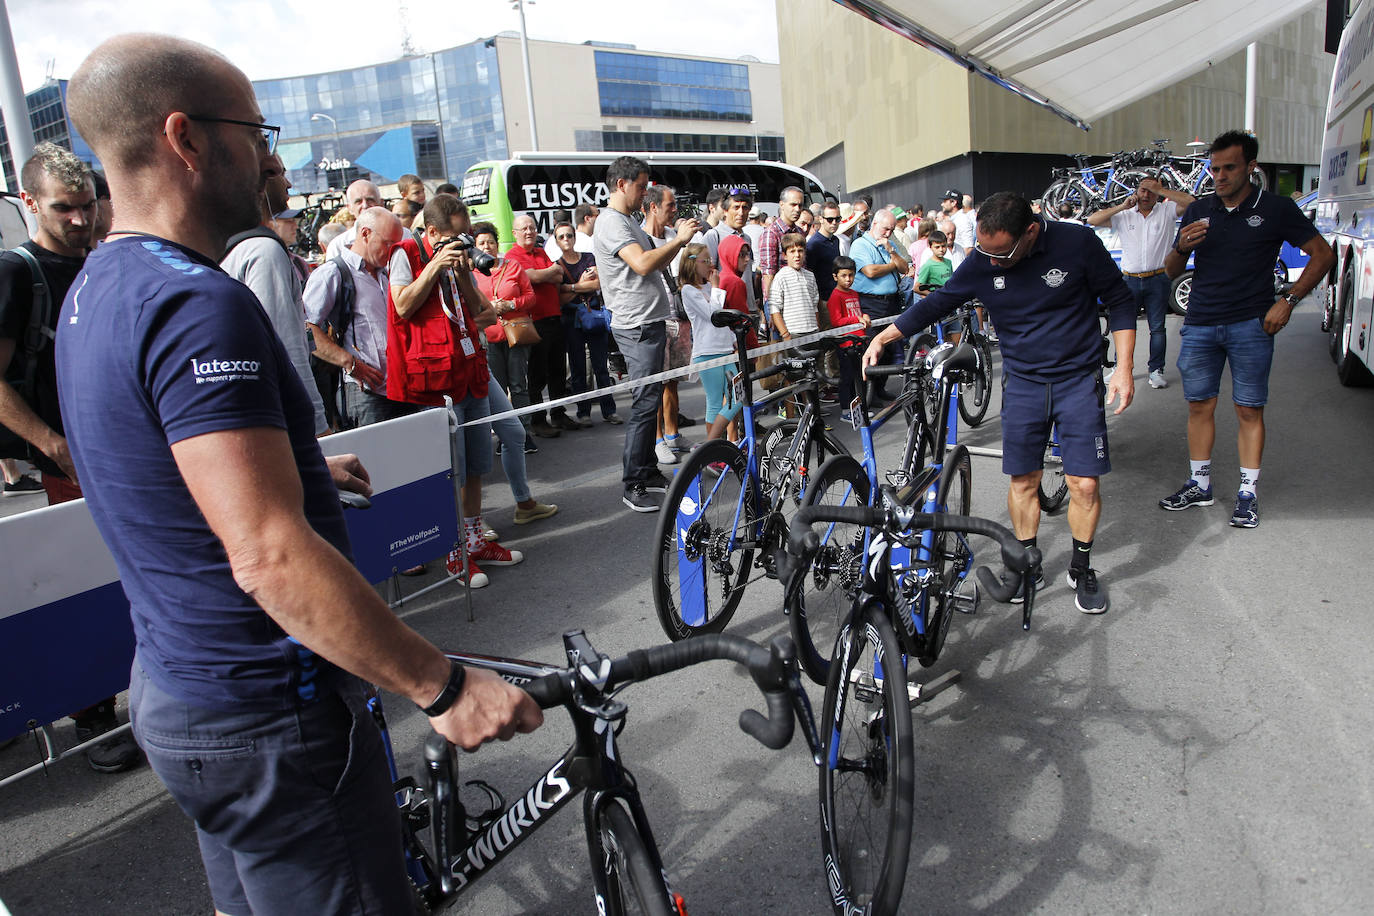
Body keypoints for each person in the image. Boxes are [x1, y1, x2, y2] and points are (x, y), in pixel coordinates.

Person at [58, 34, 541, 914]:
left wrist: (290, 458)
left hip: (181, 692)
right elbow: (269, 555)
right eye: (257, 129)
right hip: (269, 712)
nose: (273, 157)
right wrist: (442, 685)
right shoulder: (194, 303)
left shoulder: (99, 285)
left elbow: (156, 459)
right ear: (187, 139)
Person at [863, 192, 1137, 615]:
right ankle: (1025, 564)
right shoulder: (984, 260)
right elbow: (938, 302)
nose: (993, 262)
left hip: (1077, 380)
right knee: (1023, 481)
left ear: (1030, 232)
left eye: (1002, 253)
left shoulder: (1076, 244)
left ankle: (1081, 567)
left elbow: (1120, 301)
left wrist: (1123, 369)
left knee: (1084, 483)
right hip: (1024, 382)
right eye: (985, 253)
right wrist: (885, 336)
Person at [0, 141, 141, 773]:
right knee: (84, 583)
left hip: (112, 451)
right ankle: (92, 719)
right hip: (64, 463)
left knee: (123, 578)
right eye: (65, 210)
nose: (81, 220)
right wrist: (52, 444)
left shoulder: (100, 260)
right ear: (29, 203)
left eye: (87, 206)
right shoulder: (15, 272)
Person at [1160, 129, 1334, 528]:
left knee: (1248, 409)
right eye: (1214, 168)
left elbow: (1322, 255)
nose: (1219, 176)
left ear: (1250, 167)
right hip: (1201, 322)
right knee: (1199, 405)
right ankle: (1199, 485)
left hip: (1251, 325)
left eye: (1229, 168)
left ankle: (1247, 494)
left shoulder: (1274, 209)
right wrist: (1181, 247)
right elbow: (1169, 272)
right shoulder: (1198, 210)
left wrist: (1288, 302)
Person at [389, 193, 525, 584]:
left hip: (470, 371)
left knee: (479, 464)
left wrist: (464, 272)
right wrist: (434, 267)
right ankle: (453, 552)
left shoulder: (458, 258)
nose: (462, 242)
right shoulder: (407, 254)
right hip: (436, 382)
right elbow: (402, 306)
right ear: (432, 232)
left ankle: (475, 540)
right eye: (455, 236)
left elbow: (483, 311)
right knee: (452, 471)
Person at [592, 155, 699, 513]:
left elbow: (655, 259)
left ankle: (647, 471)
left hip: (648, 322)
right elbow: (642, 263)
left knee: (649, 401)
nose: (644, 193)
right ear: (622, 185)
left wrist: (676, 242)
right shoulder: (612, 223)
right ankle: (632, 483)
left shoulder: (626, 221)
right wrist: (680, 240)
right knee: (643, 406)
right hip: (636, 325)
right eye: (640, 186)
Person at [222, 152, 328, 435]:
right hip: (284, 419)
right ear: (263, 180)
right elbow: (287, 346)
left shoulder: (235, 246)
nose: (289, 184)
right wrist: (316, 425)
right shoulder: (263, 251)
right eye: (281, 173)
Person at [304, 207, 411, 428]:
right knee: (375, 460)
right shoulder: (333, 273)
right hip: (366, 393)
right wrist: (349, 362)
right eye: (388, 244)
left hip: (403, 387)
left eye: (396, 246)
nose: (392, 251)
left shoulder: (387, 273)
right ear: (365, 233)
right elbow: (306, 327)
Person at [1088, 176, 1195, 390]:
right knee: (1124, 326)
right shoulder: (1124, 214)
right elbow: (1093, 220)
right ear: (1136, 191)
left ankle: (1156, 370)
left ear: (1158, 193)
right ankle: (1120, 367)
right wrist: (1121, 206)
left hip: (1158, 278)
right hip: (1129, 280)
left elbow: (1192, 202)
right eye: (1142, 190)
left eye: (1151, 191)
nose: (1146, 195)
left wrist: (1162, 191)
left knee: (1157, 328)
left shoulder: (1167, 211)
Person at [508, 213, 576, 438]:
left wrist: (543, 274)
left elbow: (558, 276)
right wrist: (545, 273)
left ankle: (558, 414)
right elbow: (529, 277)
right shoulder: (513, 255)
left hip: (554, 318)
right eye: (524, 228)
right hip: (534, 322)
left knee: (557, 371)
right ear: (514, 233)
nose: (529, 232)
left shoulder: (540, 252)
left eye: (532, 227)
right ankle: (538, 420)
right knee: (536, 375)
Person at [472, 221, 537, 450]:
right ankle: (504, 437)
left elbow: (530, 297)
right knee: (497, 389)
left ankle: (524, 432)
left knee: (519, 386)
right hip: (488, 339)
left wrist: (510, 304)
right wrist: (489, 306)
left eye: (490, 241)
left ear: (497, 244)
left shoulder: (513, 266)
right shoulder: (470, 274)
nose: (487, 246)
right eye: (481, 243)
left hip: (515, 334)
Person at [641, 184, 692, 464]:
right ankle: (658, 439)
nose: (675, 210)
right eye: (670, 205)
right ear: (653, 207)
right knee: (658, 383)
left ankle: (673, 435)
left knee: (673, 381)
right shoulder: (640, 238)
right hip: (655, 319)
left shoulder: (674, 234)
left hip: (678, 317)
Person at [552, 220, 619, 426]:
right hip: (571, 320)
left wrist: (571, 287)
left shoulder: (589, 258)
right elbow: (559, 297)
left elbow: (598, 283)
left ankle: (609, 410)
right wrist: (582, 284)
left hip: (594, 316)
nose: (566, 240)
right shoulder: (557, 266)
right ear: (556, 241)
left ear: (575, 237)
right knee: (578, 366)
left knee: (601, 366)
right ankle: (583, 412)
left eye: (569, 235)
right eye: (561, 236)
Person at [677, 242, 740, 442]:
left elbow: (723, 322)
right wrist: (716, 287)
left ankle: (716, 445)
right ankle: (712, 448)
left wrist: (733, 341)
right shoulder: (688, 290)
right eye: (706, 261)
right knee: (715, 401)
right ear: (693, 264)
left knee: (736, 397)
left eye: (711, 260)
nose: (710, 265)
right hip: (707, 352)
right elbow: (713, 315)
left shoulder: (707, 288)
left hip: (724, 349)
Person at [849, 208, 910, 400]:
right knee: (873, 347)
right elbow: (870, 271)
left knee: (891, 348)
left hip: (891, 302)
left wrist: (891, 251)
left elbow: (905, 268)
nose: (888, 233)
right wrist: (893, 264)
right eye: (885, 229)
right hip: (871, 303)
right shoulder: (860, 245)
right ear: (875, 224)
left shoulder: (890, 244)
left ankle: (880, 388)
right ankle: (868, 393)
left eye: (891, 229)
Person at [826, 255, 869, 422]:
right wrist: (857, 319)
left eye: (851, 275)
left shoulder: (854, 293)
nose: (848, 279)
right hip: (845, 345)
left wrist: (864, 316)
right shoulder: (835, 296)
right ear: (835, 276)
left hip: (858, 342)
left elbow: (857, 314)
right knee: (847, 378)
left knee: (859, 377)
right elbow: (837, 322)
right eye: (844, 275)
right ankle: (846, 410)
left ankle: (858, 408)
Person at [768, 233, 821, 343]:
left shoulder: (810, 276)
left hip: (812, 331)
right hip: (794, 332)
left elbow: (815, 305)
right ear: (785, 255)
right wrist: (785, 334)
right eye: (792, 251)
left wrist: (817, 329)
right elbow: (774, 308)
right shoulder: (780, 277)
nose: (797, 255)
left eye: (800, 251)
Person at [758, 185, 805, 304]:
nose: (797, 209)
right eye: (793, 204)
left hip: (799, 299)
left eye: (800, 205)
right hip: (780, 301)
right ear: (782, 204)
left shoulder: (800, 232)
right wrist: (773, 307)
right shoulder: (771, 233)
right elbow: (768, 273)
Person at [324, 179, 383, 260]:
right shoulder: (338, 246)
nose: (365, 205)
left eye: (370, 200)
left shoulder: (403, 236)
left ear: (381, 203)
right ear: (349, 208)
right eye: (358, 201)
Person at [806, 200, 843, 305]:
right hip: (823, 300)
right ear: (821, 219)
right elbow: (809, 274)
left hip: (837, 295)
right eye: (830, 219)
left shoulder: (836, 240)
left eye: (837, 219)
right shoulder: (813, 244)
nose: (834, 223)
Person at [916, 230, 953, 294]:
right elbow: (916, 288)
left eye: (943, 246)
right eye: (937, 247)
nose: (941, 250)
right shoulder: (928, 265)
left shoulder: (948, 262)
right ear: (930, 247)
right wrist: (932, 296)